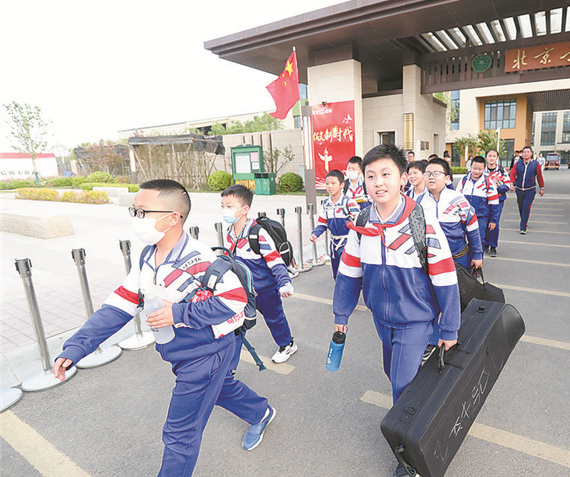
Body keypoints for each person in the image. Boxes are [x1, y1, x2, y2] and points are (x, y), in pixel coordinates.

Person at [53, 179, 275, 476]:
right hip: (182, 353)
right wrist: (77, 346)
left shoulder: (200, 259)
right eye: (135, 210)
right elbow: (120, 305)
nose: (136, 218)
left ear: (173, 217)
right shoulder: (147, 255)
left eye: (143, 212)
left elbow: (235, 298)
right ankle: (261, 412)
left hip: (205, 355)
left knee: (179, 434)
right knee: (219, 388)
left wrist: (179, 312)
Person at [332, 145, 460, 477]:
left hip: (416, 318)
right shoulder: (362, 221)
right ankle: (418, 412)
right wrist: (341, 315)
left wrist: (450, 329)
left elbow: (446, 276)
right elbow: (349, 272)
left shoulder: (422, 220)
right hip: (382, 318)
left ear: (402, 178)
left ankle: (412, 457)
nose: (378, 182)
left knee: (402, 386)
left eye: (386, 174)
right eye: (370, 176)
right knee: (394, 375)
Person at [221, 184, 298, 363]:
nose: (225, 210)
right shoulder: (230, 233)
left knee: (275, 318)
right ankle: (229, 367)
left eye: (230, 206)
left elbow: (275, 259)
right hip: (241, 290)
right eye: (223, 206)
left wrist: (284, 282)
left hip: (265, 289)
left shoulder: (257, 233)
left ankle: (287, 344)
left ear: (245, 208)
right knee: (237, 325)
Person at [419, 157, 483, 361]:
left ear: (447, 178)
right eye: (427, 173)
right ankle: (431, 341)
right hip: (431, 262)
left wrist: (478, 255)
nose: (430, 177)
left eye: (436, 173)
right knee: (430, 299)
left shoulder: (458, 199)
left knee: (454, 298)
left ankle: (453, 334)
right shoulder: (418, 202)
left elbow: (472, 228)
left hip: (458, 259)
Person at [311, 170, 360, 279]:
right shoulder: (326, 204)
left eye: (333, 183)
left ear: (342, 185)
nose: (329, 186)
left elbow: (359, 224)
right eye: (327, 183)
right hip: (334, 244)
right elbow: (322, 223)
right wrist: (315, 234)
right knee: (336, 272)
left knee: (348, 272)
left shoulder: (349, 202)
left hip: (348, 242)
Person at [457, 155, 500, 250]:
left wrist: (493, 220)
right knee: (460, 240)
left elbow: (494, 203)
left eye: (480, 169)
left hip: (481, 218)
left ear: (484, 169)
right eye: (474, 168)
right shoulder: (464, 180)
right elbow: (457, 199)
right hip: (464, 217)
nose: (477, 171)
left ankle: (477, 263)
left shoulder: (488, 182)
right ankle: (465, 262)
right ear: (470, 167)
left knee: (478, 241)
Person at [509, 145, 545, 234]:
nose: (526, 154)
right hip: (519, 189)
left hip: (530, 190)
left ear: (531, 153)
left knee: (526, 207)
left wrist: (542, 187)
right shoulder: (518, 164)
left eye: (528, 152)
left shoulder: (535, 164)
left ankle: (523, 227)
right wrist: (511, 183)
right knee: (521, 207)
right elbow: (513, 174)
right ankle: (524, 220)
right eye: (524, 152)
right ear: (522, 154)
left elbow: (539, 176)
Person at [483, 149, 512, 257]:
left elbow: (508, 185)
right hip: (485, 200)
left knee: (494, 223)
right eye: (489, 156)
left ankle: (493, 246)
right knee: (485, 222)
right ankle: (485, 244)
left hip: (498, 200)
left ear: (497, 158)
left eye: (494, 156)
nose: (491, 158)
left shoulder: (501, 170)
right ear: (486, 158)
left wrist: (496, 188)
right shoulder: (483, 170)